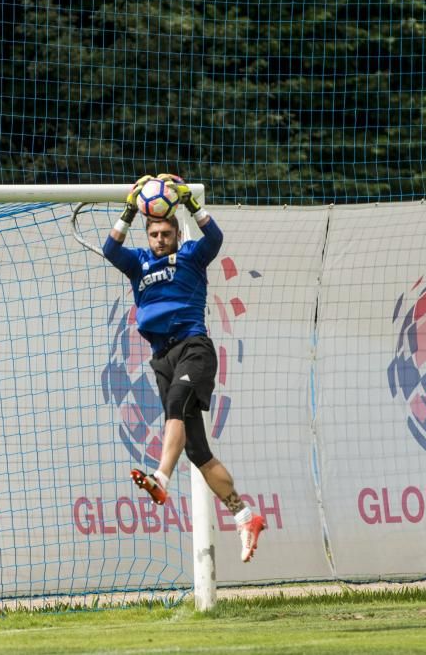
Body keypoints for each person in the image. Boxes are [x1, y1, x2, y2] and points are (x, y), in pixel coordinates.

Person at [102, 174, 266, 563]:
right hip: (162, 356)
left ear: (176, 232)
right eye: (154, 233)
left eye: (166, 232)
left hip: (194, 346)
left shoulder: (192, 254)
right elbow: (111, 249)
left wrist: (191, 204)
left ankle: (160, 477)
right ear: (148, 234)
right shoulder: (138, 262)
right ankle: (245, 515)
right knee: (197, 451)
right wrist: (129, 208)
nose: (160, 239)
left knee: (177, 401)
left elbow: (215, 240)